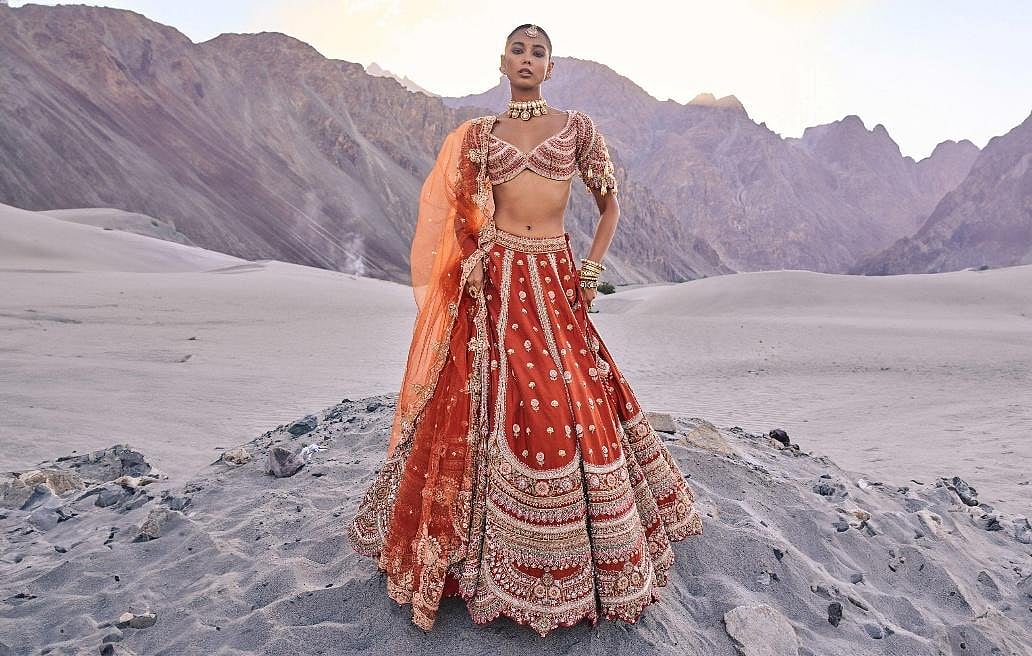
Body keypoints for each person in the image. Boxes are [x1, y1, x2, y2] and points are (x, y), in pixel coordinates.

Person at [347, 23, 703, 638]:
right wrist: (472, 256)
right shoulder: (481, 136)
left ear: (551, 66)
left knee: (572, 393)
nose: (527, 59)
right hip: (499, 278)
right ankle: (484, 558)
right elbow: (459, 208)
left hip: (558, 276)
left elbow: (610, 203)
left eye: (538, 52)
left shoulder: (578, 128)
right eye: (518, 49)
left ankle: (586, 554)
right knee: (497, 401)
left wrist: (592, 267)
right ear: (502, 61)